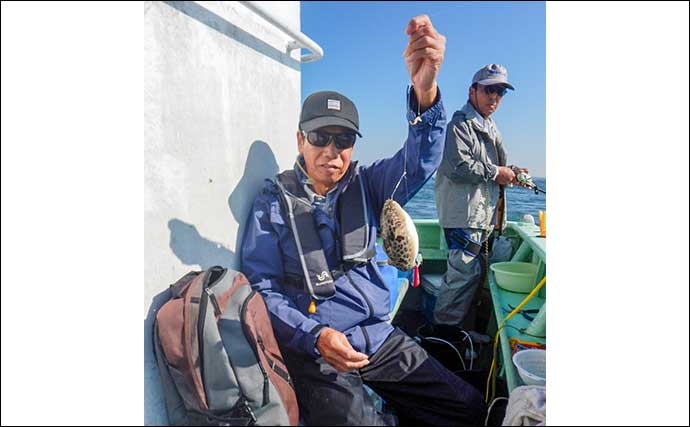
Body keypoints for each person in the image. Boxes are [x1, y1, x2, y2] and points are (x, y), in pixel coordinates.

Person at [241, 15, 485, 426]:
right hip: (317, 348)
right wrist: (314, 336)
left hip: (377, 335)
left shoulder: (372, 185)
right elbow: (263, 288)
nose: (331, 151)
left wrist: (425, 91)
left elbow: (422, 157)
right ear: (300, 139)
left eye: (344, 139)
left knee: (467, 407)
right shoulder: (272, 202)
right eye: (319, 137)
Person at [433, 64, 528, 332]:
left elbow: (491, 170)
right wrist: (498, 172)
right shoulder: (459, 125)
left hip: (483, 219)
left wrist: (513, 173)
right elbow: (458, 167)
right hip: (465, 218)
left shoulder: (489, 126)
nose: (495, 97)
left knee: (474, 277)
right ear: (472, 91)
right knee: (461, 278)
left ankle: (464, 335)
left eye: (500, 92)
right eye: (489, 90)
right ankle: (442, 338)